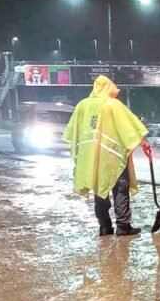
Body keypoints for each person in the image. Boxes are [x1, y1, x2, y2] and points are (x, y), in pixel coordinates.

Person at [63, 75, 151, 236]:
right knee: (120, 188)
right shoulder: (113, 105)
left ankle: (104, 226)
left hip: (90, 156)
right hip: (112, 155)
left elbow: (72, 131)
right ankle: (123, 225)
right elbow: (129, 128)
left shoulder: (82, 105)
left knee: (99, 189)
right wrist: (143, 144)